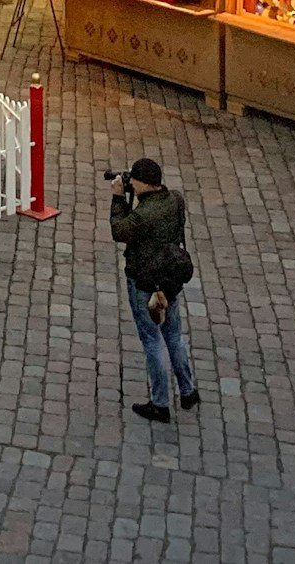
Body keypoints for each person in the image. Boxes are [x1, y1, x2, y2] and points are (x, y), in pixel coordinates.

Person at [109, 157, 200, 425]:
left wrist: (118, 199)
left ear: (142, 183)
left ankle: (160, 403)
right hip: (169, 281)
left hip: (145, 284)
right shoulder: (174, 200)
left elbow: (120, 230)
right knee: (174, 335)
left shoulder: (143, 214)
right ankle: (188, 391)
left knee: (152, 341)